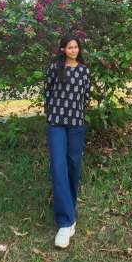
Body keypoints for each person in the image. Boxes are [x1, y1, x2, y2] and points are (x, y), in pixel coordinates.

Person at [43, 35, 91, 249]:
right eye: (70, 47)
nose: (73, 50)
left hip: (76, 124)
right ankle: (65, 222)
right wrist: (51, 113)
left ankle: (70, 212)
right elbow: (47, 92)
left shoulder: (84, 71)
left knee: (73, 165)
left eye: (76, 47)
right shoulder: (55, 68)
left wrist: (78, 115)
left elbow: (85, 96)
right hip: (56, 123)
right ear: (63, 49)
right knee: (58, 167)